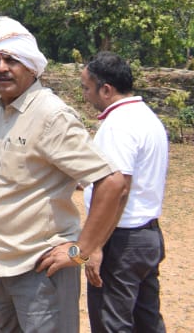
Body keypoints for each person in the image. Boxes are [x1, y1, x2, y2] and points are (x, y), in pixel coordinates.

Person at [0, 16, 128, 332]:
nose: (2, 67)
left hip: (40, 267)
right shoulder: (1, 108)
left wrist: (80, 251)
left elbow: (113, 183)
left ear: (31, 66)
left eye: (12, 59)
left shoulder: (49, 114)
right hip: (3, 263)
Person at [80, 52, 168, 333]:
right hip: (147, 235)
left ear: (105, 89)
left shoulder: (118, 125)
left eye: (86, 88)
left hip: (121, 240)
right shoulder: (147, 117)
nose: (85, 95)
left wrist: (94, 246)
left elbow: (118, 189)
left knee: (112, 323)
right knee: (147, 321)